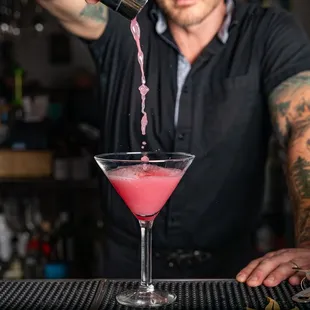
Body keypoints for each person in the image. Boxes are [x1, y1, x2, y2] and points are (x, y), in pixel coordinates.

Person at [38, 0, 310, 287]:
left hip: (233, 271)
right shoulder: (126, 21)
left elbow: (302, 124)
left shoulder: (269, 30)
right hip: (122, 268)